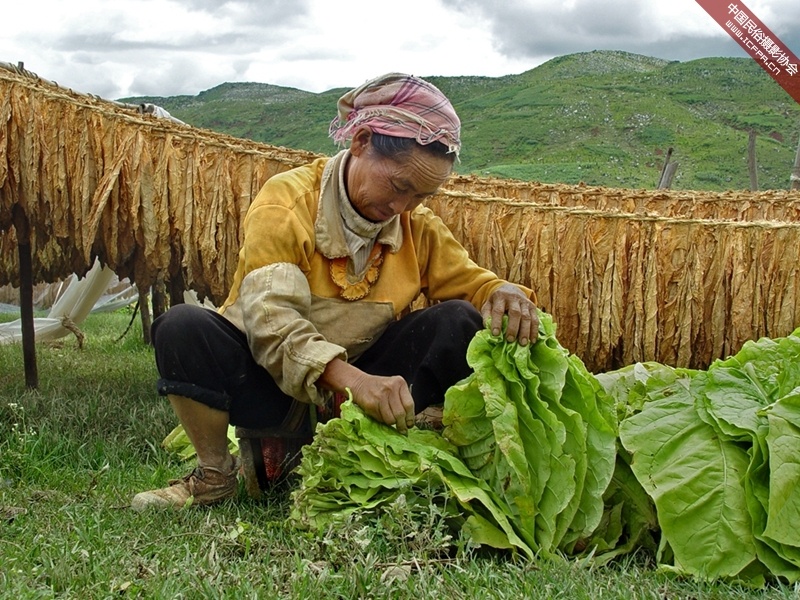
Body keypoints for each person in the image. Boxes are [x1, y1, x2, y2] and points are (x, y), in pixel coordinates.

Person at [131, 73, 539, 510]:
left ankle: (401, 449)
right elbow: (274, 324)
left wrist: (503, 291)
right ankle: (215, 474)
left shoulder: (414, 226)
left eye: (422, 196)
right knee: (182, 327)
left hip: (355, 397)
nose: (403, 208)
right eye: (399, 186)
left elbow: (473, 283)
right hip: (270, 388)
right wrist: (353, 382)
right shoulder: (287, 200)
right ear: (361, 141)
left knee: (459, 320)